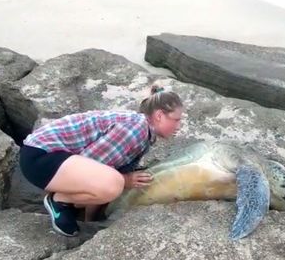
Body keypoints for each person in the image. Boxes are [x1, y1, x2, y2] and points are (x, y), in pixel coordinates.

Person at [19, 85, 183, 237]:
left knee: (112, 182)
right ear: (159, 115)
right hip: (39, 158)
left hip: (55, 159)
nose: (179, 126)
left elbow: (99, 172)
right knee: (115, 183)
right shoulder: (135, 129)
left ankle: (71, 205)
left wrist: (91, 223)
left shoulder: (143, 131)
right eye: (176, 120)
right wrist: (126, 180)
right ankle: (58, 200)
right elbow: (92, 165)